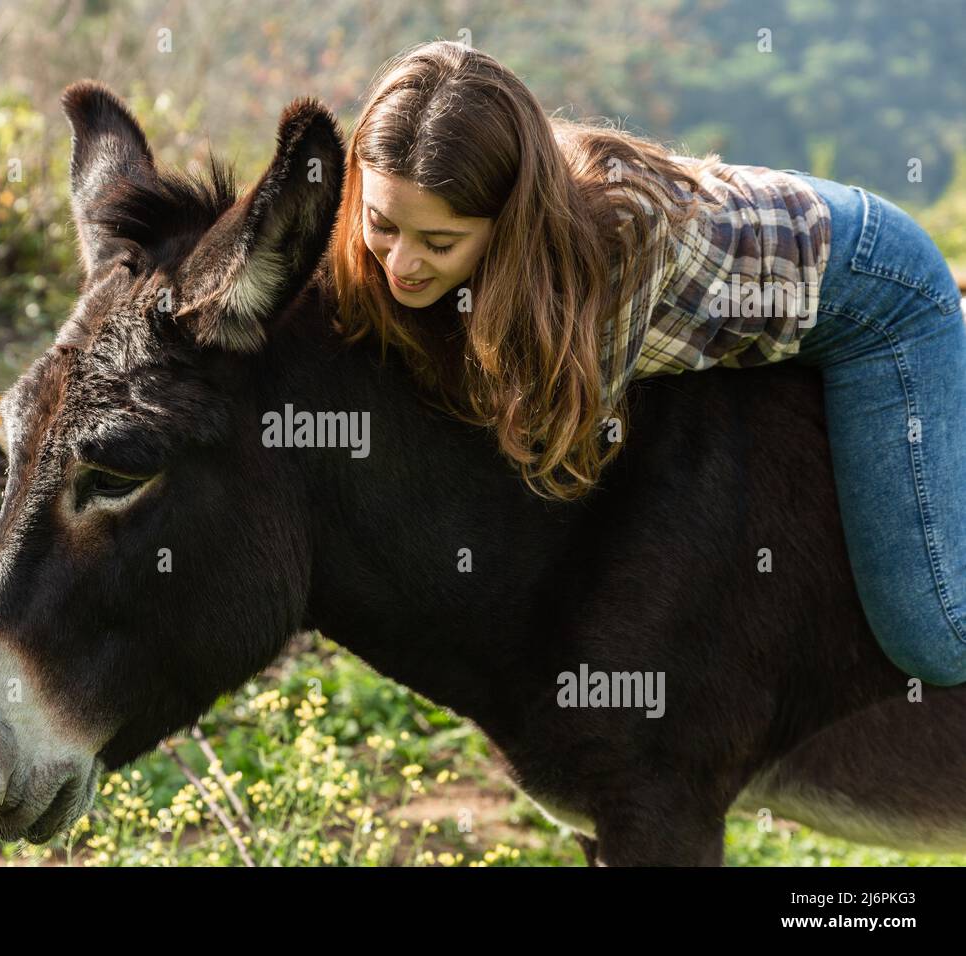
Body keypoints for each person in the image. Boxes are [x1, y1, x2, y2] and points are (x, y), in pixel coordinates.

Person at [330, 39, 966, 686]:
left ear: (512, 221)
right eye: (382, 225)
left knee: (936, 640)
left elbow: (543, 447)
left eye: (440, 242)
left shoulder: (613, 252)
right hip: (801, 219)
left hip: (880, 294)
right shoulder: (465, 200)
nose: (400, 264)